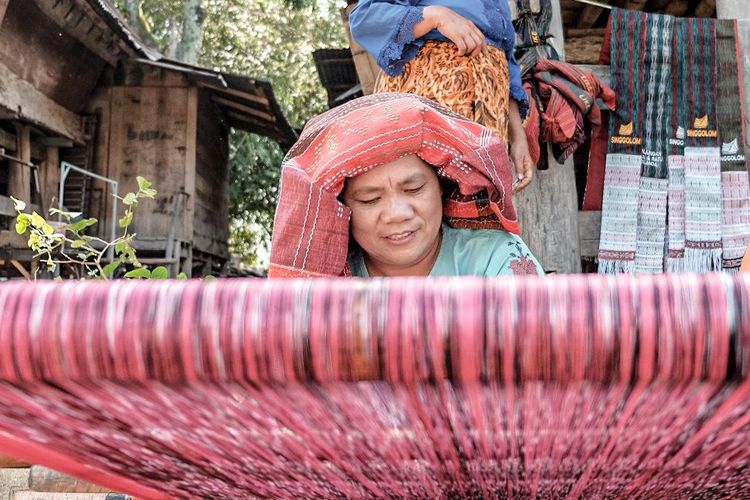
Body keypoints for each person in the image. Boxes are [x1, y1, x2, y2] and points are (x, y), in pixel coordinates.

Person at [268, 93, 541, 278]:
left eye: (413, 189)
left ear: (442, 188)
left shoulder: (495, 257)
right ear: (345, 211)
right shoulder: (330, 283)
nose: (397, 213)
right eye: (369, 200)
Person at [349, 0, 535, 193]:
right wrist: (436, 16)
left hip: (488, 121)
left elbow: (508, 70)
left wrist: (518, 139)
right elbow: (365, 18)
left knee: (475, 206)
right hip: (429, 108)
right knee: (418, 198)